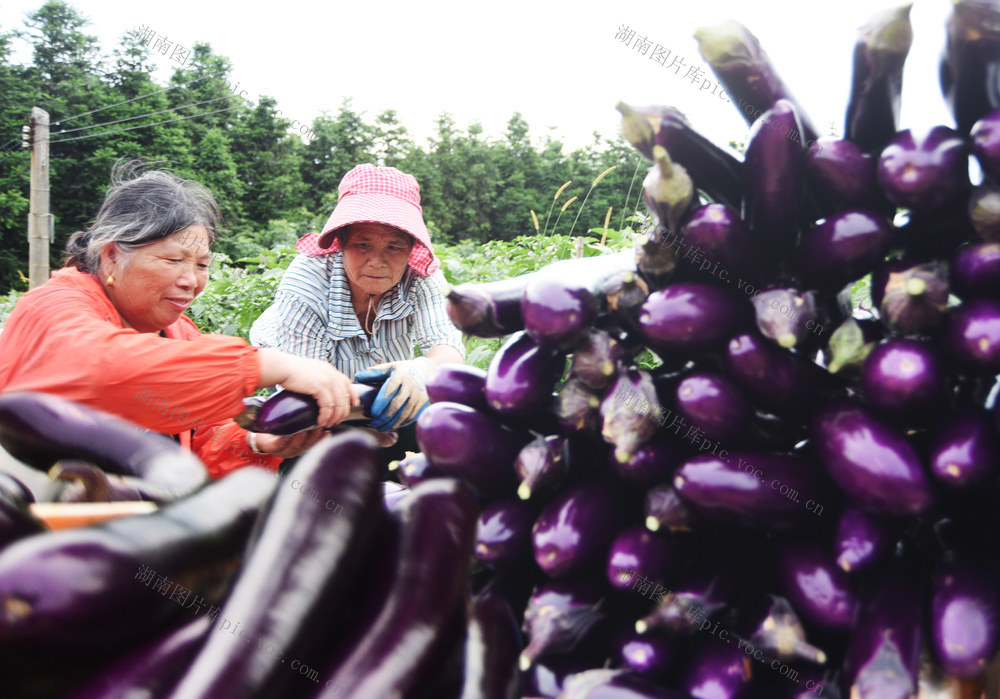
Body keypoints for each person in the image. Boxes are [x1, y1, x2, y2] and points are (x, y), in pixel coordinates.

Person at [0, 164, 360, 479]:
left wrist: (257, 441)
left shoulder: (177, 333)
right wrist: (268, 364)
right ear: (111, 255)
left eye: (202, 264)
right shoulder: (54, 306)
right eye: (174, 260)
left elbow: (196, 444)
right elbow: (99, 368)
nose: (192, 280)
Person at [250, 164, 464, 443]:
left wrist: (427, 369)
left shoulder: (421, 276)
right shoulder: (305, 285)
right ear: (340, 241)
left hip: (377, 394)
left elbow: (447, 351)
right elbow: (311, 392)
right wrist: (360, 431)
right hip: (310, 385)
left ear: (412, 248)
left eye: (394, 246)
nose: (377, 261)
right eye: (363, 245)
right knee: (303, 442)